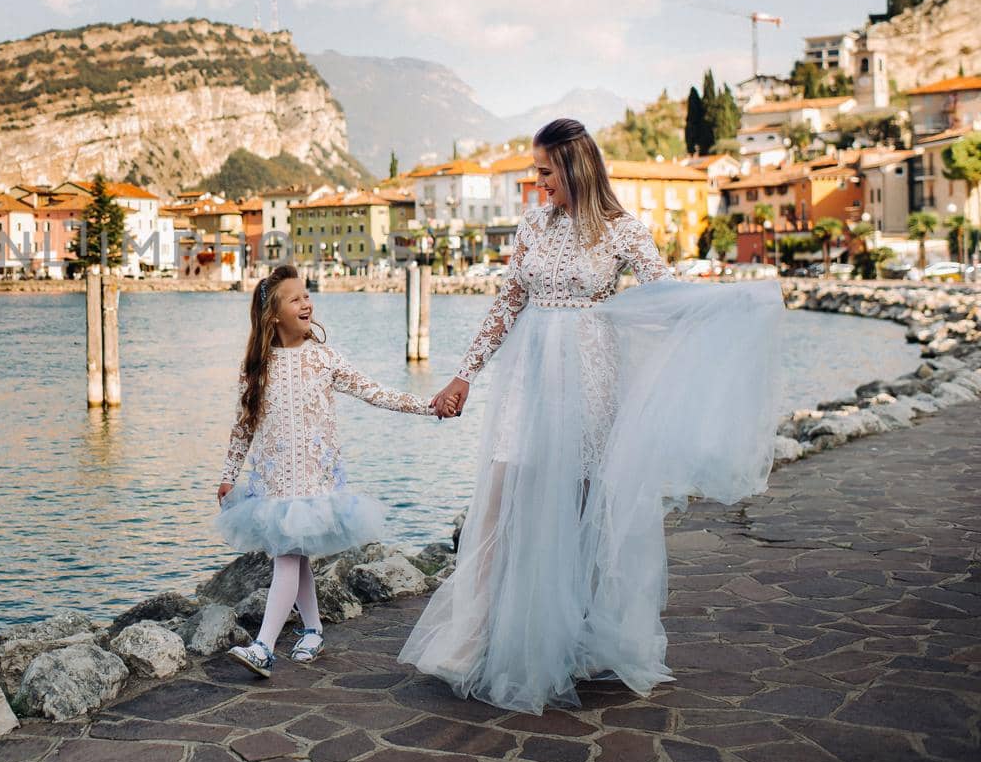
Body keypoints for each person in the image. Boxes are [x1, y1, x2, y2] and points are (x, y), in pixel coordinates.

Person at [401, 118, 782, 713]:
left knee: (585, 506)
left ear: (575, 168)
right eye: (536, 171)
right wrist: (463, 375)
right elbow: (508, 302)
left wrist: (732, 303)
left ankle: (579, 635)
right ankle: (471, 638)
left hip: (591, 375)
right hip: (528, 377)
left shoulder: (622, 231)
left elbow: (666, 296)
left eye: (546, 171)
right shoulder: (531, 224)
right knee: (500, 496)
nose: (538, 182)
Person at [216, 263, 441, 677]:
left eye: (307, 295)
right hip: (274, 482)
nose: (306, 303)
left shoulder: (323, 359)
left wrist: (429, 406)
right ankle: (314, 629)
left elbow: (377, 393)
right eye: (295, 298)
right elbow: (242, 426)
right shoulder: (256, 368)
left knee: (288, 555)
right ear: (273, 315)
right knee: (293, 556)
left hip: (313, 481)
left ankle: (264, 646)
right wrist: (229, 473)